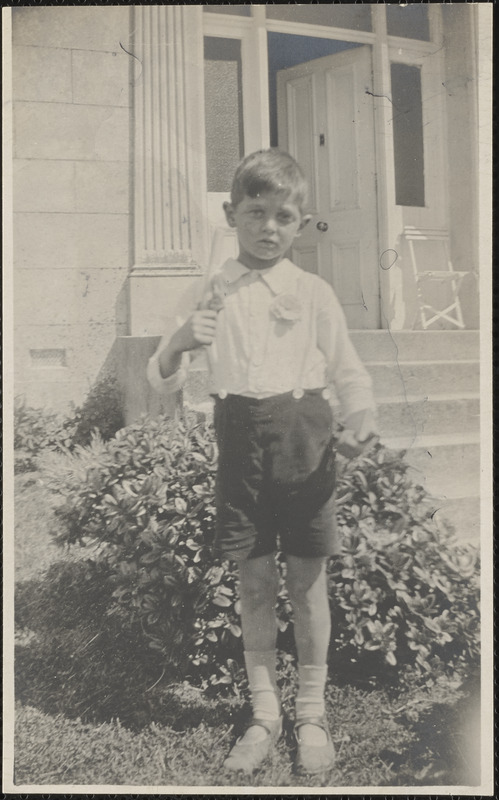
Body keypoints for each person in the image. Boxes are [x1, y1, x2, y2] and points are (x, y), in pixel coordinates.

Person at [147, 149, 377, 775]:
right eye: (255, 213)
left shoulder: (313, 291)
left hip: (306, 440)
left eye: (283, 216)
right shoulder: (211, 286)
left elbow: (348, 371)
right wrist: (176, 345)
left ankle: (311, 713)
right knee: (253, 582)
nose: (268, 228)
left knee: (306, 583)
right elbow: (160, 375)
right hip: (239, 440)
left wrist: (361, 413)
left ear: (300, 223)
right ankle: (263, 712)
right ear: (231, 214)